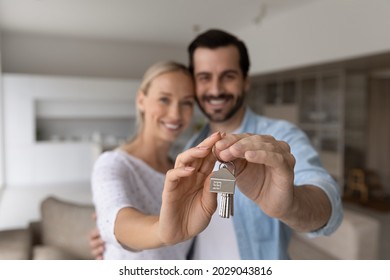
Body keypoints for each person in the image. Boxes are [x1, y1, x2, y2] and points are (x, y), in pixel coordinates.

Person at [90, 29, 343, 260]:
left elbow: (327, 202)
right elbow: (143, 219)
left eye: (228, 76)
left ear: (245, 81)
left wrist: (291, 204)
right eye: (204, 77)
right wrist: (115, 234)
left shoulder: (278, 137)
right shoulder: (188, 150)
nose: (215, 89)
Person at [91, 61, 198, 259]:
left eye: (186, 103)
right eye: (164, 100)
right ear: (141, 100)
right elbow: (114, 219)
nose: (175, 114)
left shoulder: (182, 171)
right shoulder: (113, 164)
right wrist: (166, 230)